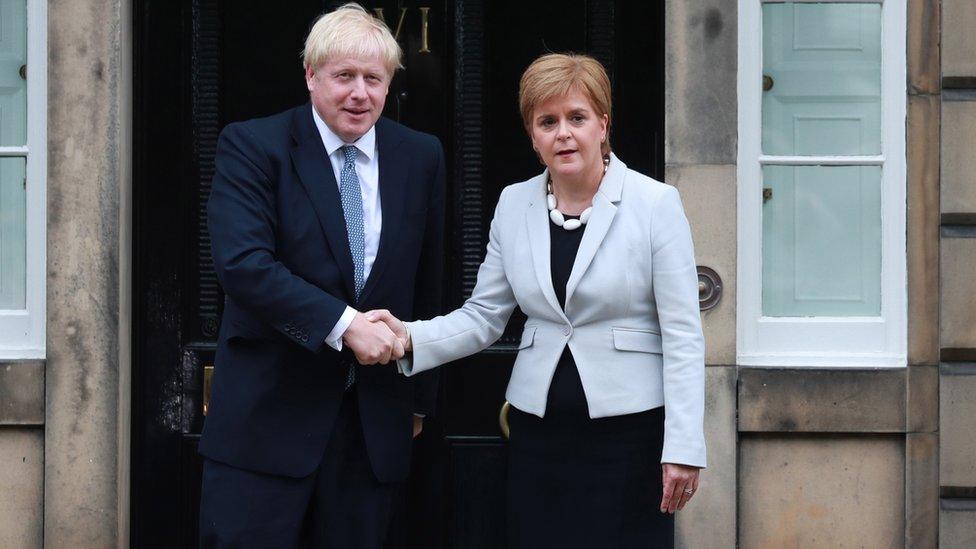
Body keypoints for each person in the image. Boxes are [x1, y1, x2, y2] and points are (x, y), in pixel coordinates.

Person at [368, 53, 705, 548]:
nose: (563, 133)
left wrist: (684, 447)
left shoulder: (654, 203)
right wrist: (408, 336)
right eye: (547, 122)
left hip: (631, 435)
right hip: (539, 432)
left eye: (577, 118)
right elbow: (484, 316)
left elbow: (682, 334)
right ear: (532, 135)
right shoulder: (514, 202)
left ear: (603, 125)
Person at [198, 4, 445, 547]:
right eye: (344, 77)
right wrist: (345, 324)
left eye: (373, 79)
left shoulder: (420, 156)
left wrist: (420, 398)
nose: (360, 93)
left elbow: (428, 283)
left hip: (373, 428)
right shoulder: (254, 146)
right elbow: (244, 265)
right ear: (311, 77)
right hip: (266, 427)